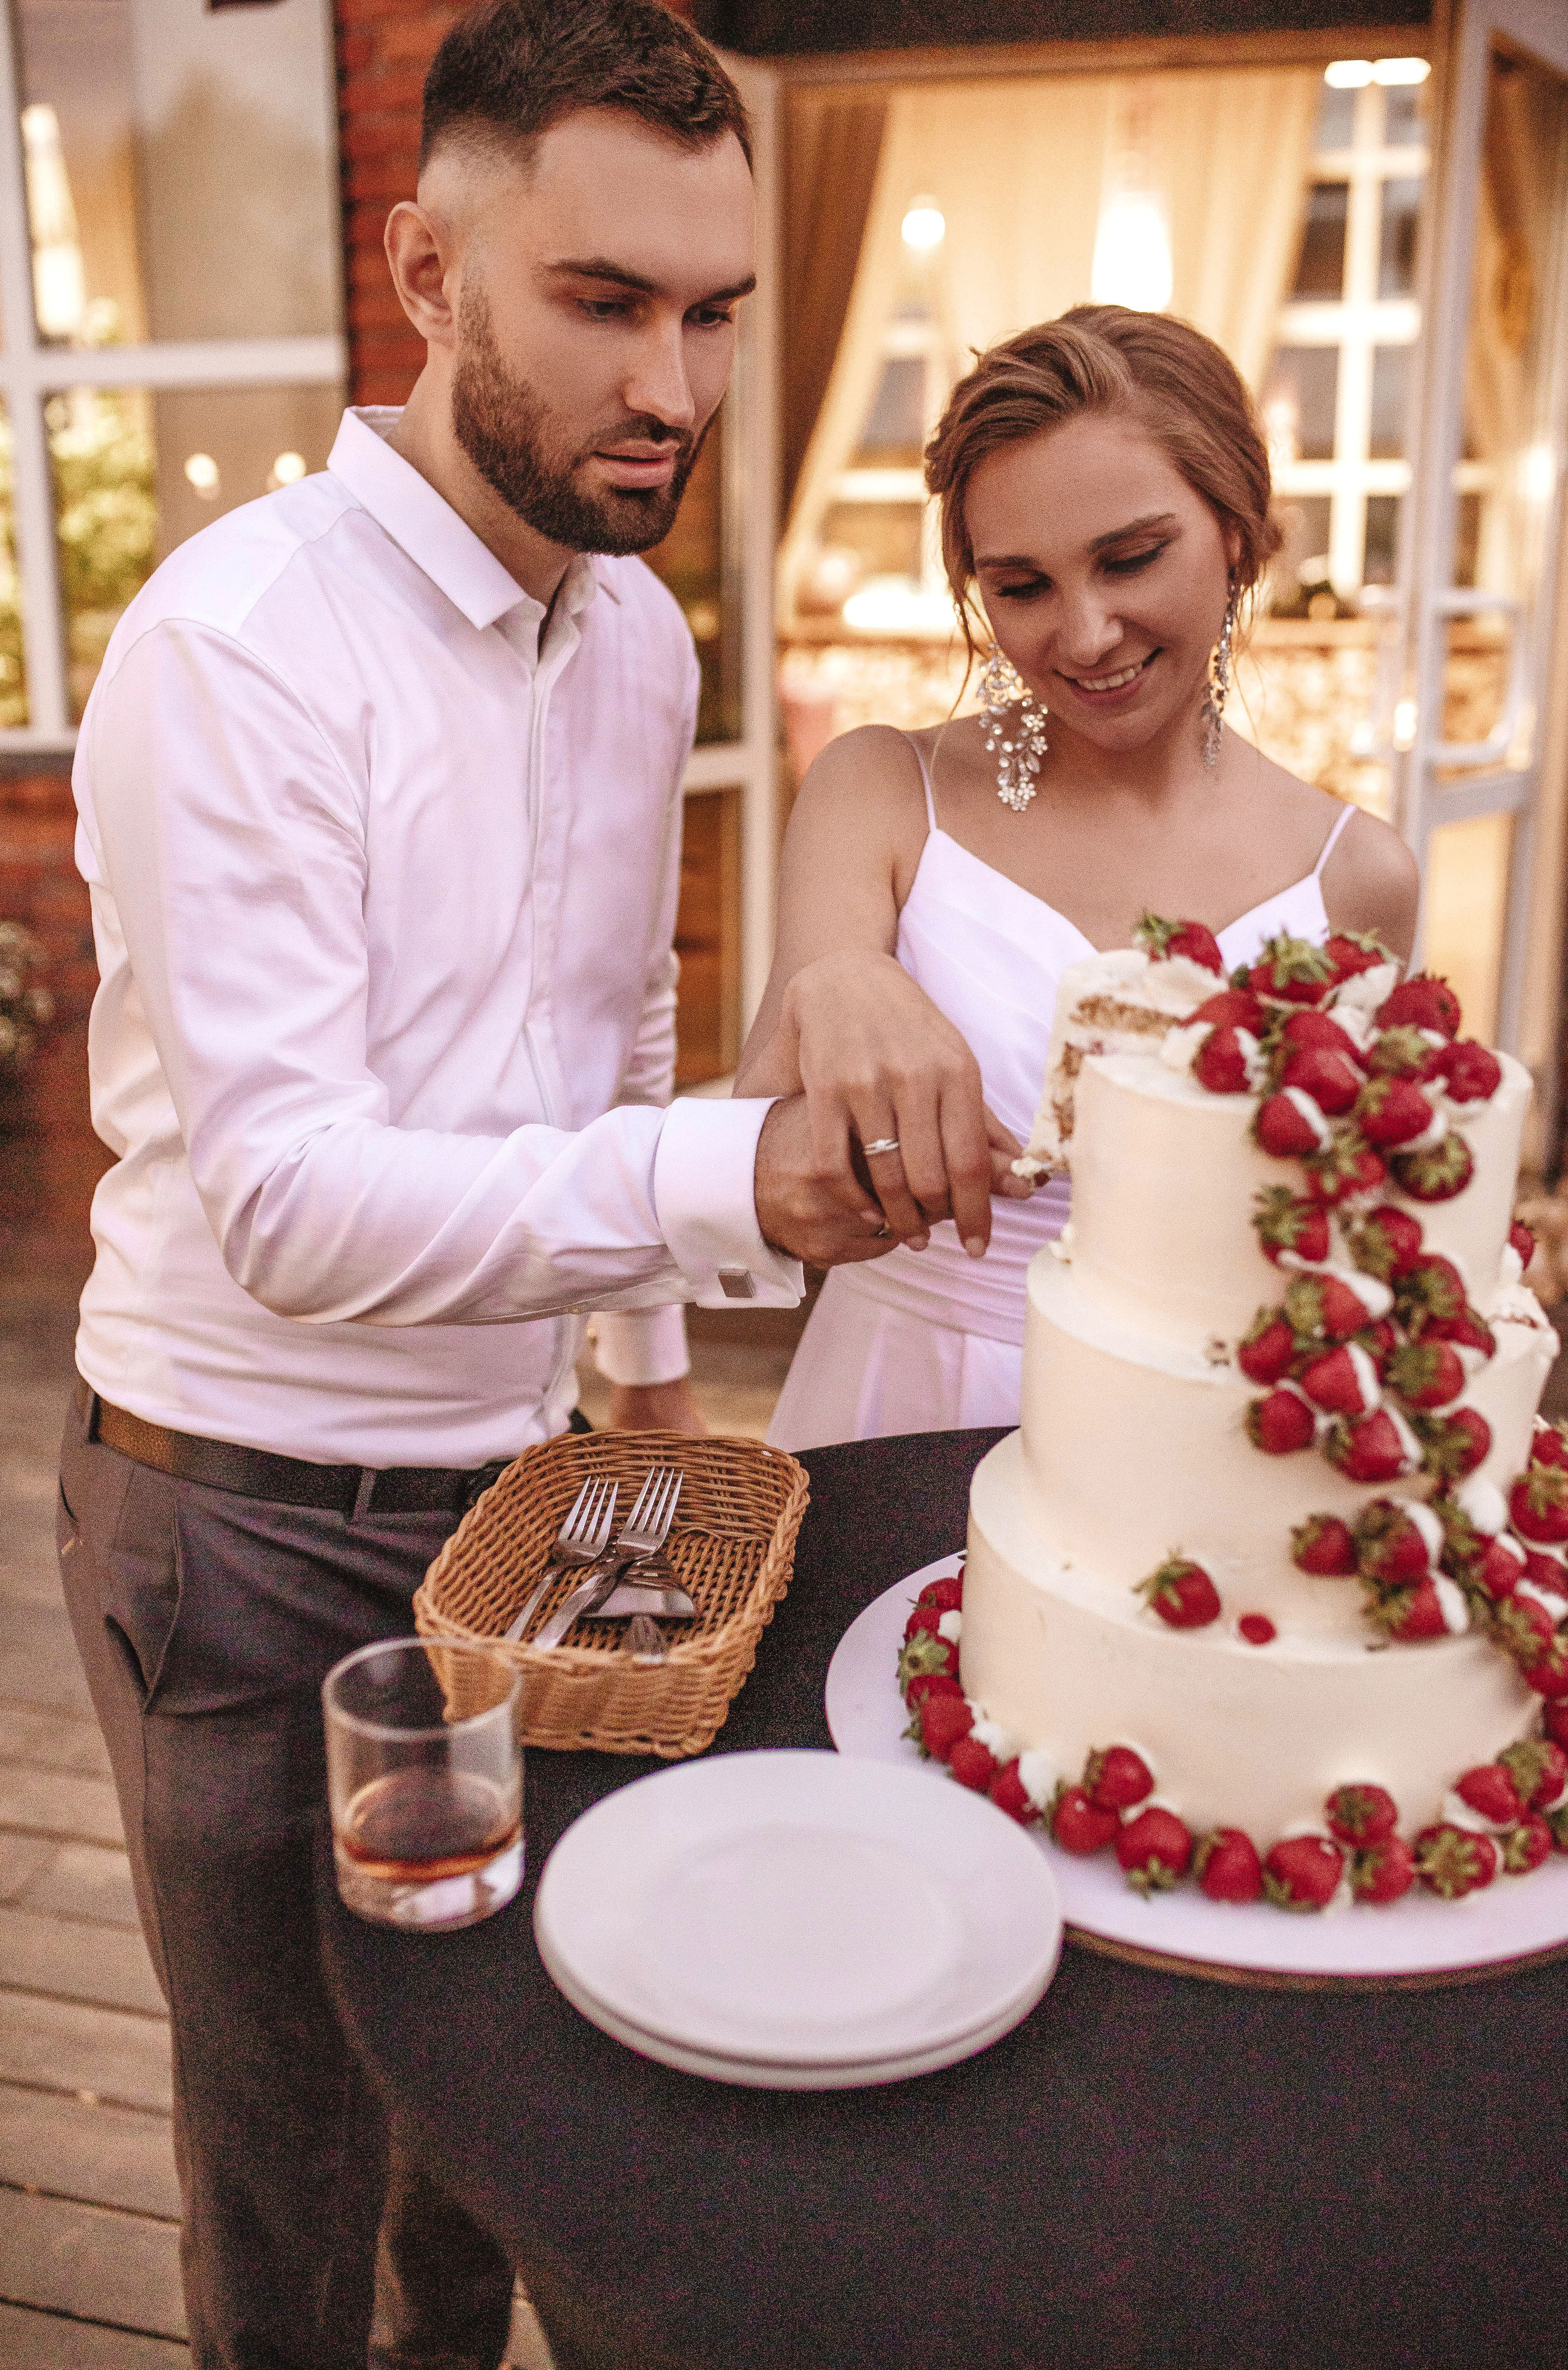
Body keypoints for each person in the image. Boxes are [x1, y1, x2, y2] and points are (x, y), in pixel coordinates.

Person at [55, 7, 913, 2365]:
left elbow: (613, 1017)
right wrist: (730, 1187)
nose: (680, 381)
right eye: (606, 301)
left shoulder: (638, 631)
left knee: (509, 2122)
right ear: (429, 273)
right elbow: (299, 1208)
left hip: (535, 1506)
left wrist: (641, 1384)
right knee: (303, 2170)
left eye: (718, 311)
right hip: (240, 1530)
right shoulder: (237, 644)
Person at [740, 307, 1420, 1449]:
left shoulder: (1355, 875)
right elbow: (756, 1175)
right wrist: (834, 984)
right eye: (1022, 586)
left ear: (1242, 532)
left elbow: (1353, 1240)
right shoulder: (881, 792)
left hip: (1197, 1444)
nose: (1087, 633)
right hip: (897, 1408)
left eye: (1131, 558)